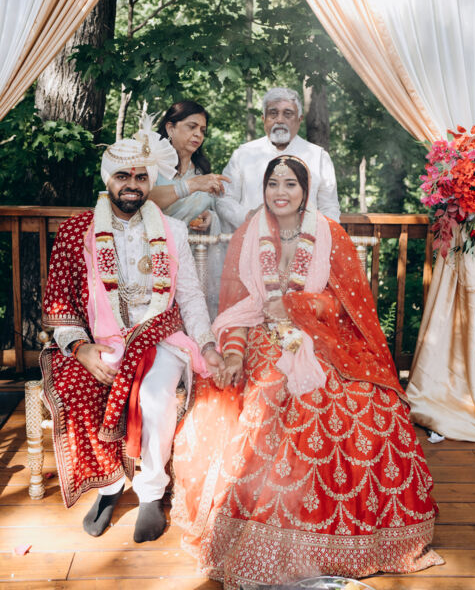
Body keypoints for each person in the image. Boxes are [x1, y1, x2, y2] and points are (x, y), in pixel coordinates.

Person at [172, 155, 442, 588]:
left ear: (305, 191)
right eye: (273, 184)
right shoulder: (248, 233)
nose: (280, 192)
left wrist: (297, 305)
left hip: (324, 337)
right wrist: (235, 354)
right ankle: (266, 528)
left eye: (290, 184)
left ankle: (342, 538)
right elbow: (238, 309)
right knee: (270, 392)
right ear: (263, 189)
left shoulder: (330, 233)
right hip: (262, 334)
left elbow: (348, 305)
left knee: (365, 404)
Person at [40, 121, 226, 544]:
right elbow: (61, 301)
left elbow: (190, 296)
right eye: (122, 176)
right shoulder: (78, 231)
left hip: (161, 335)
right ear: (108, 179)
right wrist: (80, 347)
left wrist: (207, 343)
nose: (132, 185)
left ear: (150, 182)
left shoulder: (172, 230)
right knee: (76, 384)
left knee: (155, 395)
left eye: (141, 177)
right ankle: (109, 485)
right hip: (101, 340)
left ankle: (151, 492)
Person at [216, 87, 340, 231]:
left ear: (299, 120)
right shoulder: (243, 154)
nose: (280, 120)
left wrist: (321, 236)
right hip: (251, 238)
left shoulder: (319, 157)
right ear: (263, 119)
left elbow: (329, 207)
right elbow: (224, 200)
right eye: (273, 113)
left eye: (288, 114)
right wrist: (249, 216)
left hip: (304, 240)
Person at [149, 100, 229, 318]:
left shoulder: (202, 171)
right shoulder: (151, 164)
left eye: (202, 130)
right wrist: (189, 186)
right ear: (170, 128)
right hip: (152, 257)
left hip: (192, 261)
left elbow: (208, 208)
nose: (198, 134)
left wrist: (209, 217)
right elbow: (143, 201)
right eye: (191, 126)